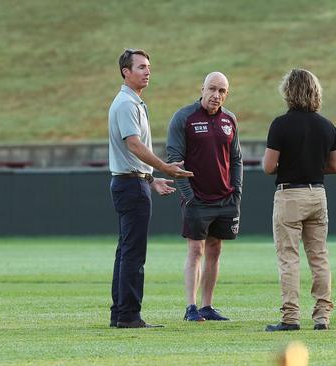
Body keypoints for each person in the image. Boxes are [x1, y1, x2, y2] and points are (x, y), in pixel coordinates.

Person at [108, 48, 193, 328]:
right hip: (130, 186)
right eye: (141, 67)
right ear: (126, 72)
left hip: (134, 182)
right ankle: (129, 316)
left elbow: (131, 153)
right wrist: (164, 168)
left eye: (149, 67)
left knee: (126, 250)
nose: (147, 72)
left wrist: (151, 179)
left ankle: (120, 314)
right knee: (133, 252)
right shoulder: (126, 104)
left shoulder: (133, 103)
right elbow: (133, 144)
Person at [262, 68, 336, 331]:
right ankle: (321, 317)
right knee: (319, 257)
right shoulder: (327, 125)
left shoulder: (280, 124)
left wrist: (290, 163)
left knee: (289, 257)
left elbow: (268, 166)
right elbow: (335, 166)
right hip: (318, 194)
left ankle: (291, 317)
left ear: (288, 92)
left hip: (290, 195)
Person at [166, 72, 242, 322]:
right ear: (202, 89)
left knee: (215, 248)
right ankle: (191, 307)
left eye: (221, 91)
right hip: (196, 197)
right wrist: (188, 196)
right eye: (212, 89)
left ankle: (207, 306)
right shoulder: (184, 118)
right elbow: (174, 160)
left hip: (224, 197)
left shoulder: (230, 119)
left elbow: (236, 158)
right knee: (195, 249)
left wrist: (236, 190)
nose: (216, 95)